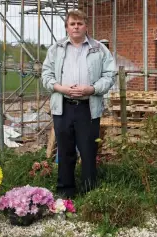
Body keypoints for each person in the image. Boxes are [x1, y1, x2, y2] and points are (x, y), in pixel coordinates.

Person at [42, 10, 116, 198]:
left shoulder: (99, 49)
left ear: (86, 26)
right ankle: (65, 192)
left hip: (88, 108)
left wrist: (91, 89)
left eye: (80, 23)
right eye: (72, 24)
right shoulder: (56, 49)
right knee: (65, 150)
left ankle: (89, 193)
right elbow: (46, 75)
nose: (76, 27)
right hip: (63, 106)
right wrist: (61, 88)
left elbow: (109, 75)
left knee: (88, 150)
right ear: (67, 27)